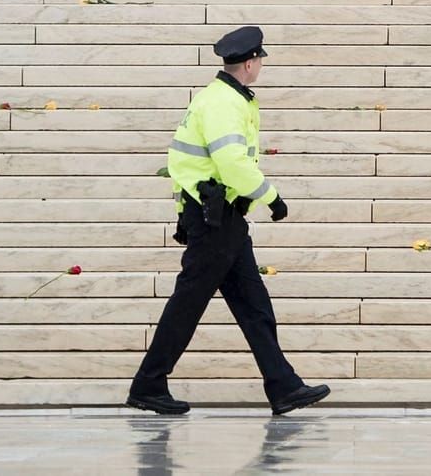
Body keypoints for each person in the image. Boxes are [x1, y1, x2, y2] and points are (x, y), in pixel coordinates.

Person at [128, 26, 330, 417]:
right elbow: (231, 161)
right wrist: (271, 197)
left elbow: (198, 161)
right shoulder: (223, 102)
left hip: (222, 217)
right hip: (215, 218)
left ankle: (283, 385)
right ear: (251, 62)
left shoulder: (225, 97)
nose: (260, 67)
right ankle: (148, 383)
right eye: (260, 61)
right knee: (189, 303)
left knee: (253, 305)